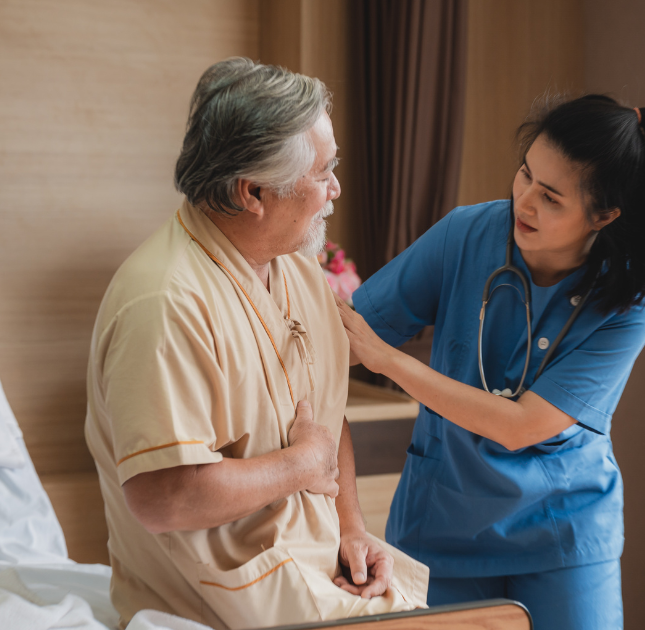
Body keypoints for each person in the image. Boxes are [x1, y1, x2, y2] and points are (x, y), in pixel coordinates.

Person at [84, 57, 428, 630]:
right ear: (253, 193)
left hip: (313, 565)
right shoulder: (165, 302)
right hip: (216, 595)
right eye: (324, 173)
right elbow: (163, 498)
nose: (336, 189)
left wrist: (350, 529)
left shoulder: (299, 271)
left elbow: (325, 416)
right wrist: (299, 466)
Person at [337, 95, 645, 629]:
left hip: (562, 534)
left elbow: (522, 426)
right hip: (443, 522)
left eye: (551, 197)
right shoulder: (465, 235)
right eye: (525, 175)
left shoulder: (627, 307)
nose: (523, 201)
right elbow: (346, 331)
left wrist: (387, 362)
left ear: (604, 215)